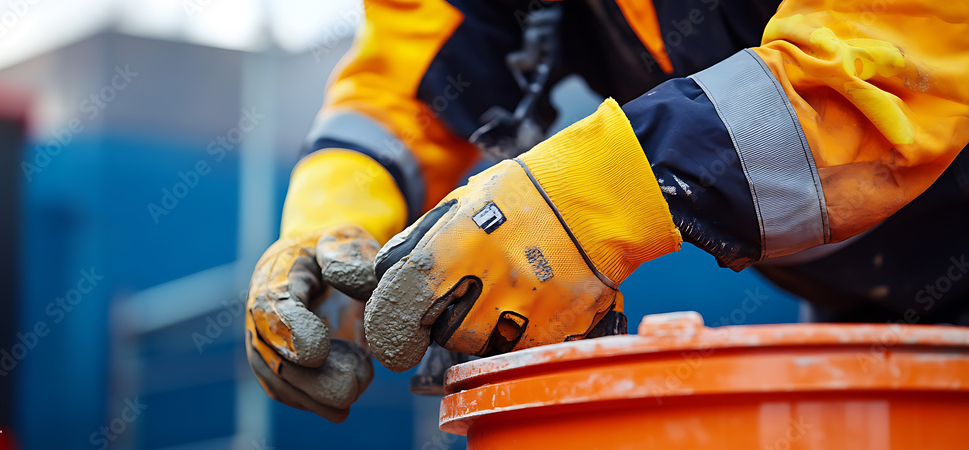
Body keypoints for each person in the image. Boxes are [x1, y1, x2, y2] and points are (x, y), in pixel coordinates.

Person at [245, 0, 969, 422]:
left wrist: (592, 195)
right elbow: (409, 75)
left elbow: (895, 64)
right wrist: (335, 216)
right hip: (870, 315)